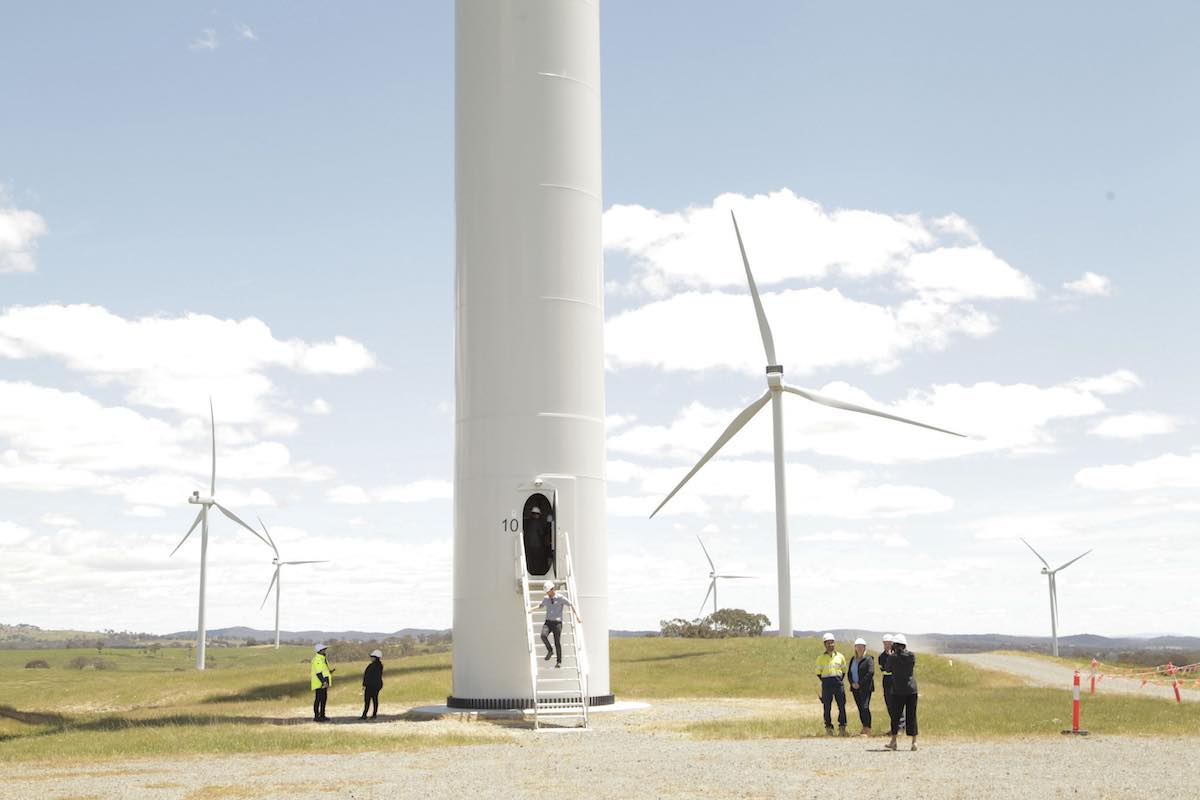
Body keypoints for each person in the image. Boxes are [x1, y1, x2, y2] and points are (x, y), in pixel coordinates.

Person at [528, 581, 582, 668]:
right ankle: (550, 650)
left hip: (557, 623)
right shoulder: (546, 598)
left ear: (552, 590)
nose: (547, 593)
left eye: (548, 591)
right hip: (548, 622)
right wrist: (531, 609)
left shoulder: (560, 598)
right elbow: (540, 605)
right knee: (543, 635)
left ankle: (559, 661)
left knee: (557, 642)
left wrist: (577, 617)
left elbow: (571, 604)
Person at [885, 633, 918, 751]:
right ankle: (914, 742)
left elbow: (887, 669)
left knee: (895, 716)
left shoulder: (892, 658)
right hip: (911, 689)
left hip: (897, 690)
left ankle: (893, 741)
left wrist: (890, 655)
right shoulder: (911, 656)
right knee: (912, 715)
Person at [814, 632, 848, 736]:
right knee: (827, 707)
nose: (830, 645)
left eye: (832, 642)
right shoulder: (820, 658)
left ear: (834, 643)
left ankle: (842, 727)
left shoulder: (840, 656)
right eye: (828, 643)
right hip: (827, 685)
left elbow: (843, 671)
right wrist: (826, 680)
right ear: (825, 644)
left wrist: (838, 679)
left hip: (838, 684)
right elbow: (818, 673)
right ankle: (828, 728)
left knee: (841, 706)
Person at [847, 637, 875, 736]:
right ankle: (864, 727)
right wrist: (852, 683)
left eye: (861, 647)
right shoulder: (853, 659)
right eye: (857, 646)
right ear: (855, 648)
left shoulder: (869, 659)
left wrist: (860, 683)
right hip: (855, 688)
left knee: (864, 707)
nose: (859, 648)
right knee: (860, 707)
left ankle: (868, 728)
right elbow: (849, 673)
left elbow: (870, 672)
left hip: (865, 688)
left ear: (864, 648)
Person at [311, 643, 334, 722]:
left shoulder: (322, 658)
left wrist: (329, 672)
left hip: (324, 682)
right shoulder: (317, 659)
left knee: (324, 699)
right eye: (324, 649)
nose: (325, 650)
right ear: (319, 651)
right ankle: (317, 717)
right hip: (319, 683)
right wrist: (324, 682)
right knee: (318, 699)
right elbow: (318, 672)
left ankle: (322, 715)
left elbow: (323, 670)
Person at [361, 649, 383, 720]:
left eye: (372, 657)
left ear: (376, 657)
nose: (371, 658)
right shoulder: (380, 666)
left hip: (370, 686)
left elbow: (367, 676)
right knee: (375, 699)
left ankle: (364, 715)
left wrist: (364, 684)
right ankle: (374, 714)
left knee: (367, 700)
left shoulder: (371, 666)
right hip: (377, 685)